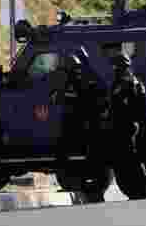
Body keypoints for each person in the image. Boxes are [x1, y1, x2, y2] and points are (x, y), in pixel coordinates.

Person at [50, 53, 109, 201]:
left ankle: (81, 185)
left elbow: (61, 99)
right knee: (91, 157)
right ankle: (88, 186)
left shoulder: (76, 83)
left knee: (65, 155)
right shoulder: (87, 80)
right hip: (86, 127)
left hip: (77, 127)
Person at [109, 53, 146, 198]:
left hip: (125, 125)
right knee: (130, 156)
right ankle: (138, 186)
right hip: (131, 123)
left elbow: (118, 102)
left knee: (128, 157)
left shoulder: (125, 82)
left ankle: (138, 186)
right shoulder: (135, 81)